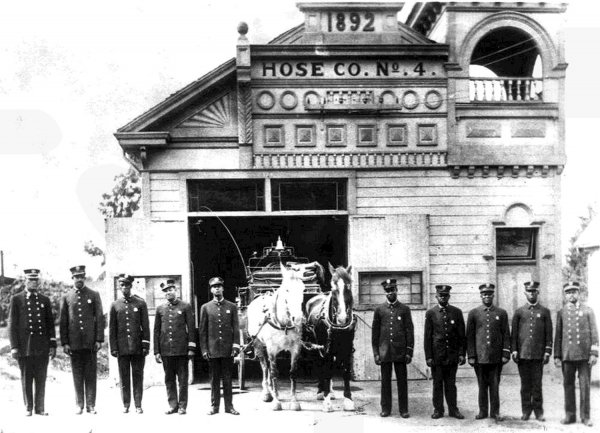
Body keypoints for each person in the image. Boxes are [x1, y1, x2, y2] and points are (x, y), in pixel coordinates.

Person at [8, 269, 57, 416]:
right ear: (25, 281)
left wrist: (53, 345)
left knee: (41, 378)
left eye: (36, 280)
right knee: (27, 378)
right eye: (31, 279)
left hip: (42, 346)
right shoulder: (16, 299)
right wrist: (14, 347)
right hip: (25, 347)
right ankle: (28, 407)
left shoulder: (44, 300)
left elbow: (50, 324)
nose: (34, 282)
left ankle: (40, 408)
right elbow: (12, 325)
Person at [59, 265, 104, 415]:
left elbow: (99, 318)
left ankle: (91, 405)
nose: (79, 279)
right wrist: (65, 342)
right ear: (72, 278)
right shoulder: (66, 297)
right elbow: (63, 321)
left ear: (84, 277)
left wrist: (99, 339)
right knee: (77, 375)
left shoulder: (93, 294)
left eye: (81, 276)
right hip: (74, 344)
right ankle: (79, 404)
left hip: (90, 343)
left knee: (91, 374)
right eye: (76, 277)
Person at [554, 281, 598, 427]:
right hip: (567, 356)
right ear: (565, 295)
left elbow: (594, 333)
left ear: (578, 293)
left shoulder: (588, 310)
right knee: (568, 386)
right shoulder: (562, 312)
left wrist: (593, 353)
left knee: (585, 386)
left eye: (573, 292)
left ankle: (585, 416)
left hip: (584, 356)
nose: (571, 295)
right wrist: (557, 356)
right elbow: (558, 336)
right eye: (568, 292)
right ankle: (570, 415)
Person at [466, 283, 510, 421]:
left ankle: (495, 412)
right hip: (480, 357)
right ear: (481, 296)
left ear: (493, 295)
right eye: (484, 294)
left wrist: (505, 353)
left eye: (489, 294)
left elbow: (506, 334)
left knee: (495, 386)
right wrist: (471, 355)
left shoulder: (501, 313)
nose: (487, 296)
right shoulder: (474, 313)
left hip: (496, 358)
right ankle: (482, 411)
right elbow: (470, 336)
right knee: (482, 386)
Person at [371, 278, 414, 418]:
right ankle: (386, 409)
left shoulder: (404, 309)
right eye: (387, 291)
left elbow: (409, 331)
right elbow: (375, 334)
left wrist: (409, 352)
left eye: (392, 290)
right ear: (385, 293)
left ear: (397, 290)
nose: (390, 293)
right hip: (385, 352)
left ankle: (404, 409)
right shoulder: (379, 310)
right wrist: (376, 353)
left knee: (402, 382)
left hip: (400, 352)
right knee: (385, 382)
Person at [511, 281, 552, 421]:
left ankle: (539, 412)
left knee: (537, 385)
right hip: (523, 355)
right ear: (525, 293)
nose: (532, 293)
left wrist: (547, 351)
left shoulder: (544, 312)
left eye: (534, 291)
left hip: (538, 355)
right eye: (529, 291)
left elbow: (548, 333)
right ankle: (526, 411)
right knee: (525, 386)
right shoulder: (519, 312)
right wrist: (514, 350)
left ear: (538, 293)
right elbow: (514, 334)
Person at [154, 279, 196, 415]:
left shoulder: (185, 306)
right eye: (165, 291)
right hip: (166, 350)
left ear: (175, 290)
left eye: (170, 290)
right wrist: (156, 351)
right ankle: (173, 405)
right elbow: (156, 331)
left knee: (183, 380)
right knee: (169, 380)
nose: (168, 293)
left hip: (182, 350)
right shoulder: (160, 309)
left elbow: (191, 329)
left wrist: (191, 348)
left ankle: (183, 406)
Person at [109, 273, 150, 414]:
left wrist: (145, 345)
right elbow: (112, 328)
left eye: (126, 285)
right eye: (122, 285)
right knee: (124, 377)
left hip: (138, 348)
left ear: (131, 286)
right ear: (119, 287)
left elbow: (145, 326)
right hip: (122, 349)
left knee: (138, 376)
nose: (124, 288)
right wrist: (114, 348)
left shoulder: (140, 303)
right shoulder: (115, 305)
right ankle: (126, 404)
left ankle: (138, 404)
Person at [199, 277, 240, 416]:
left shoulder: (231, 307)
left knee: (228, 379)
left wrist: (235, 346)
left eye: (219, 286)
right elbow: (203, 331)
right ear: (211, 290)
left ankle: (229, 407)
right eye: (214, 287)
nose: (217, 288)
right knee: (214, 380)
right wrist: (204, 349)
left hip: (228, 350)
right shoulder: (205, 307)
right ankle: (214, 407)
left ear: (223, 288)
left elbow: (236, 328)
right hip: (213, 350)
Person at [424, 284, 466, 419]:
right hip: (437, 356)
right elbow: (428, 336)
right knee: (437, 384)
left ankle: (453, 410)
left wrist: (461, 353)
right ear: (436, 296)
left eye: (445, 295)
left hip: (452, 355)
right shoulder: (431, 313)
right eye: (440, 295)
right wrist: (429, 356)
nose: (443, 297)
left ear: (449, 296)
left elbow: (461, 336)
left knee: (451, 384)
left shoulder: (456, 312)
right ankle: (438, 410)